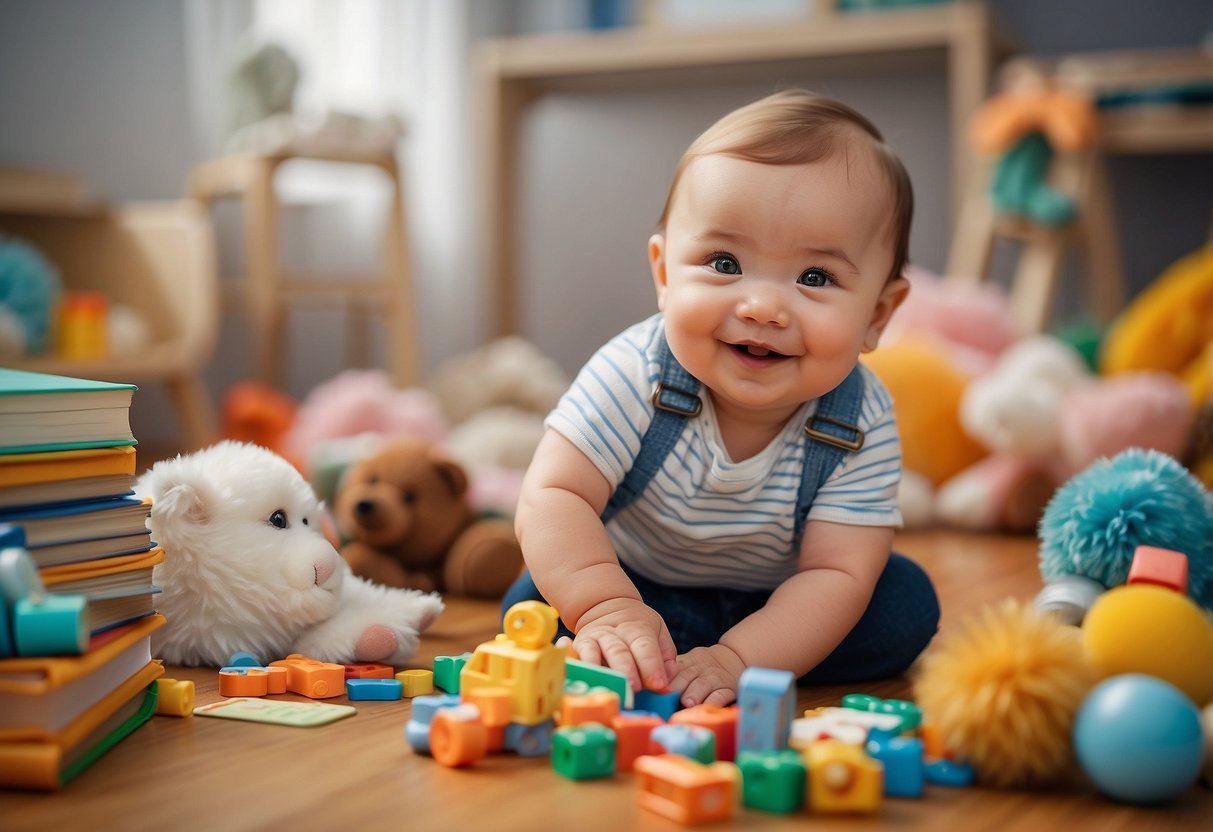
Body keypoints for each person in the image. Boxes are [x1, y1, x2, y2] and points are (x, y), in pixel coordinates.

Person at [503, 89, 940, 708]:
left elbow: (835, 572)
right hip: (637, 580)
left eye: (815, 278)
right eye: (724, 262)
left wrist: (743, 658)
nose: (761, 306)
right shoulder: (635, 372)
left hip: (782, 604)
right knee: (531, 601)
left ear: (879, 314)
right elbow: (555, 494)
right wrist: (605, 604)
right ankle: (638, 641)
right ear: (663, 273)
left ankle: (706, 658)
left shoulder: (859, 419)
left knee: (903, 606)